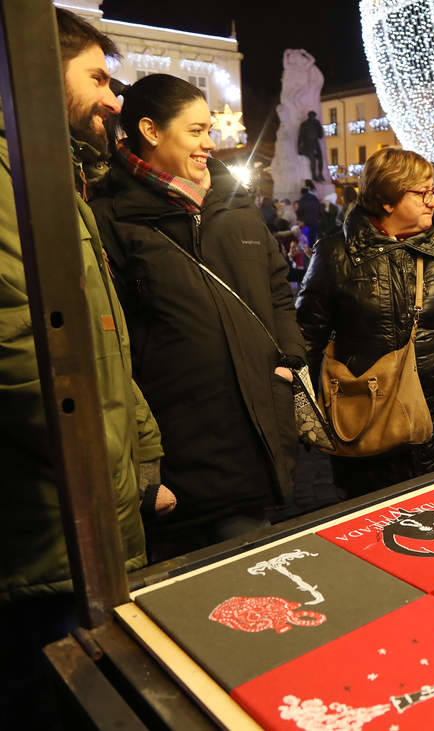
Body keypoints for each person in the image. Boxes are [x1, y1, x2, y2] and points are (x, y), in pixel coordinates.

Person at [0, 9, 167, 726]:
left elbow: (106, 345)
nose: (114, 98)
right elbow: (24, 358)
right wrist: (109, 479)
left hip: (82, 512)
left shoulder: (56, 181)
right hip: (48, 531)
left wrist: (143, 453)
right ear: (37, 75)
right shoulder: (13, 183)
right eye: (97, 78)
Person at [90, 74, 307, 561]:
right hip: (177, 447)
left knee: (259, 570)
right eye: (195, 131)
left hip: (252, 429)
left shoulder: (234, 206)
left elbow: (277, 289)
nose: (210, 143)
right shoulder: (110, 218)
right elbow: (111, 343)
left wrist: (289, 360)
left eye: (208, 130)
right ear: (150, 130)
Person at [296, 147, 434, 498]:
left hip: (433, 420)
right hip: (362, 421)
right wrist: (305, 417)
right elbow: (305, 338)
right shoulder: (336, 255)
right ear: (388, 200)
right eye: (422, 193)